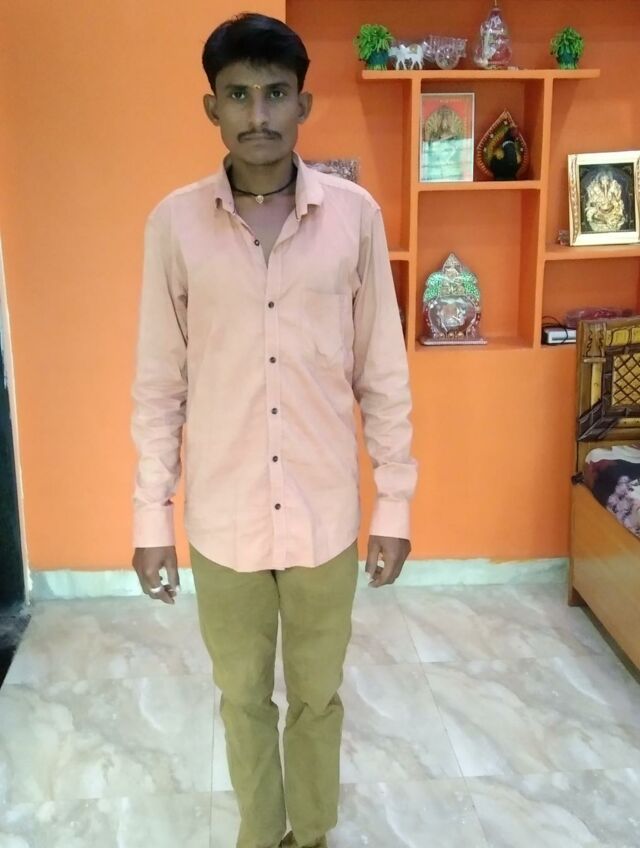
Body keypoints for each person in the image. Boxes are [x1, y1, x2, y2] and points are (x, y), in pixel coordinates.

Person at [130, 12, 418, 848]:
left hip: (325, 517)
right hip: (223, 524)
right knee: (242, 697)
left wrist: (394, 503)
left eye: (276, 93)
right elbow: (159, 384)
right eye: (238, 95)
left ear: (304, 104)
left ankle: (313, 832)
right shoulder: (174, 226)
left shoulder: (354, 219)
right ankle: (261, 833)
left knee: (318, 695)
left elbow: (383, 373)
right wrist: (151, 518)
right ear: (211, 107)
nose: (258, 114)